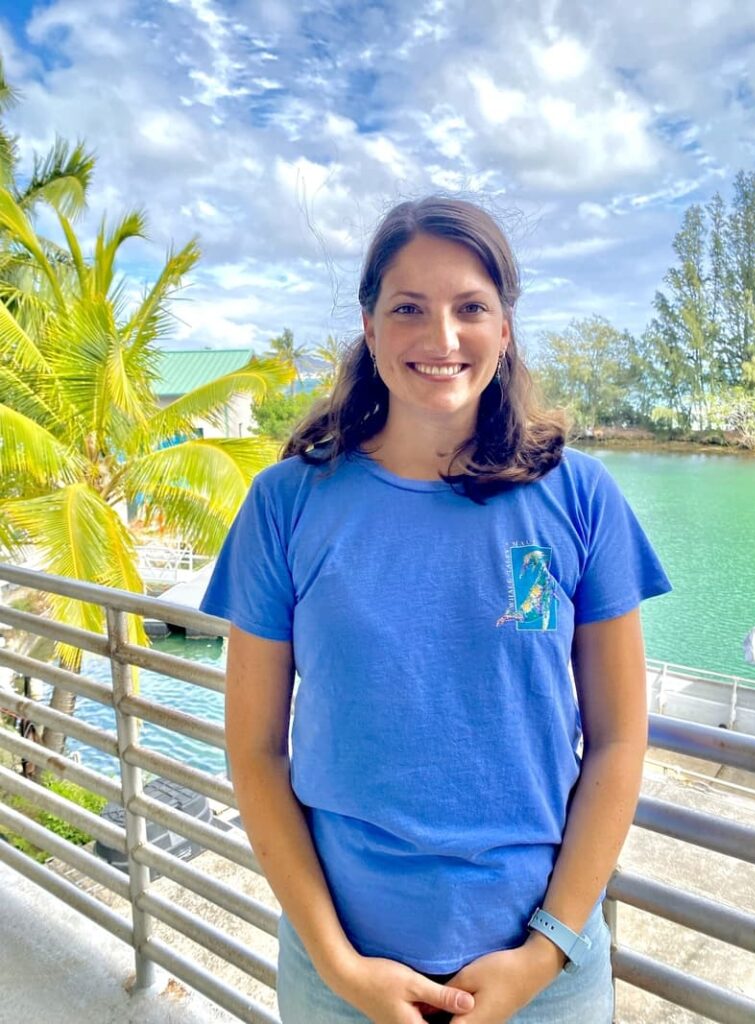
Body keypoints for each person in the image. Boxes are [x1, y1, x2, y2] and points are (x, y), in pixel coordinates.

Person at [200, 196, 672, 1024]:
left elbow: (619, 740)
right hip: (340, 972)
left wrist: (542, 952)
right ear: (371, 326)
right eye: (409, 308)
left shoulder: (580, 498)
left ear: (506, 328)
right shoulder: (286, 504)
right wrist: (342, 966)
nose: (442, 338)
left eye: (471, 308)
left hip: (546, 974)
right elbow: (256, 752)